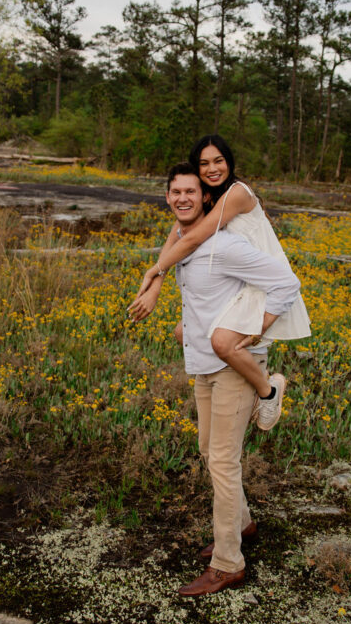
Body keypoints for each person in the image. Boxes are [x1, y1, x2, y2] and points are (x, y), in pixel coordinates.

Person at [156, 162, 301, 596]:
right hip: (203, 365)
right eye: (175, 191)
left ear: (205, 199)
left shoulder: (225, 245)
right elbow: (202, 292)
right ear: (168, 198)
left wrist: (258, 327)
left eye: (191, 191)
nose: (183, 197)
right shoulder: (184, 243)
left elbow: (286, 281)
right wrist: (187, 324)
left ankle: (228, 563)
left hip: (233, 369)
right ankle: (244, 524)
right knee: (206, 450)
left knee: (222, 461)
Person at [129, 134, 310, 430]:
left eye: (218, 160)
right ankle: (245, 388)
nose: (212, 168)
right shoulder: (211, 196)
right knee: (182, 331)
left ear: (229, 161)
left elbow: (196, 238)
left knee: (222, 342)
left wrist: (154, 270)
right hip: (236, 278)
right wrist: (158, 279)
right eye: (203, 163)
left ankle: (267, 392)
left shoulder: (237, 193)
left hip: (260, 281)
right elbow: (178, 232)